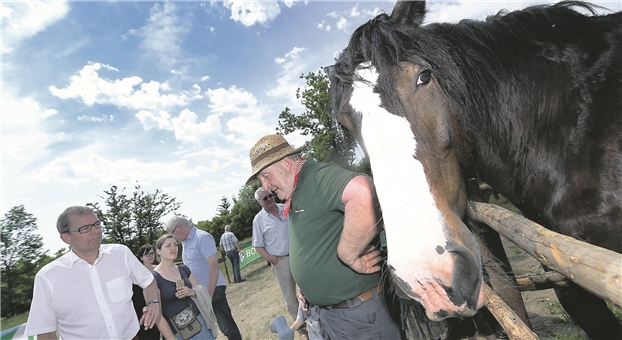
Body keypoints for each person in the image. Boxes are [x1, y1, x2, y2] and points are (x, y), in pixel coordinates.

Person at [246, 134, 402, 339]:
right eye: (261, 180)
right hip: (333, 314)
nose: (265, 186)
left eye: (266, 176)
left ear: (286, 163)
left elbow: (363, 191)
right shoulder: (294, 191)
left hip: (358, 315)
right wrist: (307, 285)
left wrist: (348, 254)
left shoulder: (316, 177)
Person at [24, 206, 162, 340]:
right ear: (66, 238)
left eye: (97, 224)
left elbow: (148, 281)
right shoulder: (48, 277)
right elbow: (45, 333)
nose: (95, 231)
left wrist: (154, 303)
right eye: (85, 228)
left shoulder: (121, 254)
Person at [166, 216, 243, 340]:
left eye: (172, 232)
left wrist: (208, 295)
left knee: (227, 327)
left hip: (212, 290)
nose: (172, 236)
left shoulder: (202, 237)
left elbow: (214, 267)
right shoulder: (185, 241)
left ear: (180, 227)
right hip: (199, 292)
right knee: (207, 328)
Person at [152, 234, 217, 340]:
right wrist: (171, 338)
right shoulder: (153, 278)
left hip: (199, 324)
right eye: (168, 245)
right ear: (158, 251)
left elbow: (200, 289)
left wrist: (191, 292)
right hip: (178, 332)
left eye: (175, 244)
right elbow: (157, 314)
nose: (173, 248)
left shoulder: (183, 269)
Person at [252, 187, 298, 321]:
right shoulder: (258, 220)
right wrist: (272, 259)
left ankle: (315, 319)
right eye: (265, 198)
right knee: (290, 296)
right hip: (281, 262)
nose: (269, 199)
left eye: (270, 195)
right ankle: (300, 326)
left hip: (298, 256)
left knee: (308, 288)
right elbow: (257, 245)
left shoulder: (285, 208)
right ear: (259, 202)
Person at [132, 244, 162, 340]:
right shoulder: (136, 273)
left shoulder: (159, 269)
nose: (151, 256)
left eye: (152, 253)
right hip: (143, 309)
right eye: (147, 254)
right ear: (141, 257)